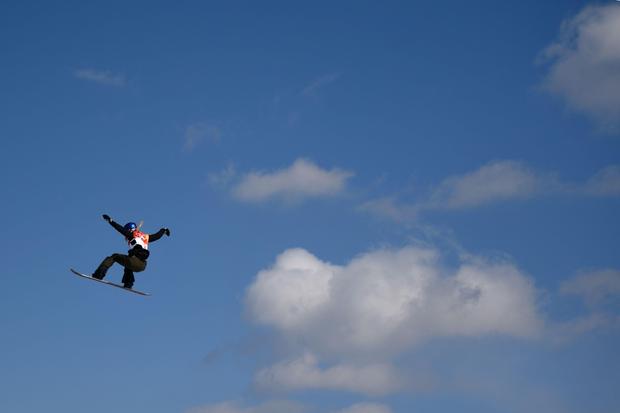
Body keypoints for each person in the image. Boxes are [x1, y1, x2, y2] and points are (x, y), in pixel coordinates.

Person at [92, 214, 171, 289]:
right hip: (142, 265)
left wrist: (110, 220)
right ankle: (128, 284)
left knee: (114, 256)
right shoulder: (146, 237)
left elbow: (119, 228)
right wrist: (163, 230)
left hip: (134, 261)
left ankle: (99, 274)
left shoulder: (131, 235)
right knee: (128, 266)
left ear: (129, 230)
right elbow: (157, 236)